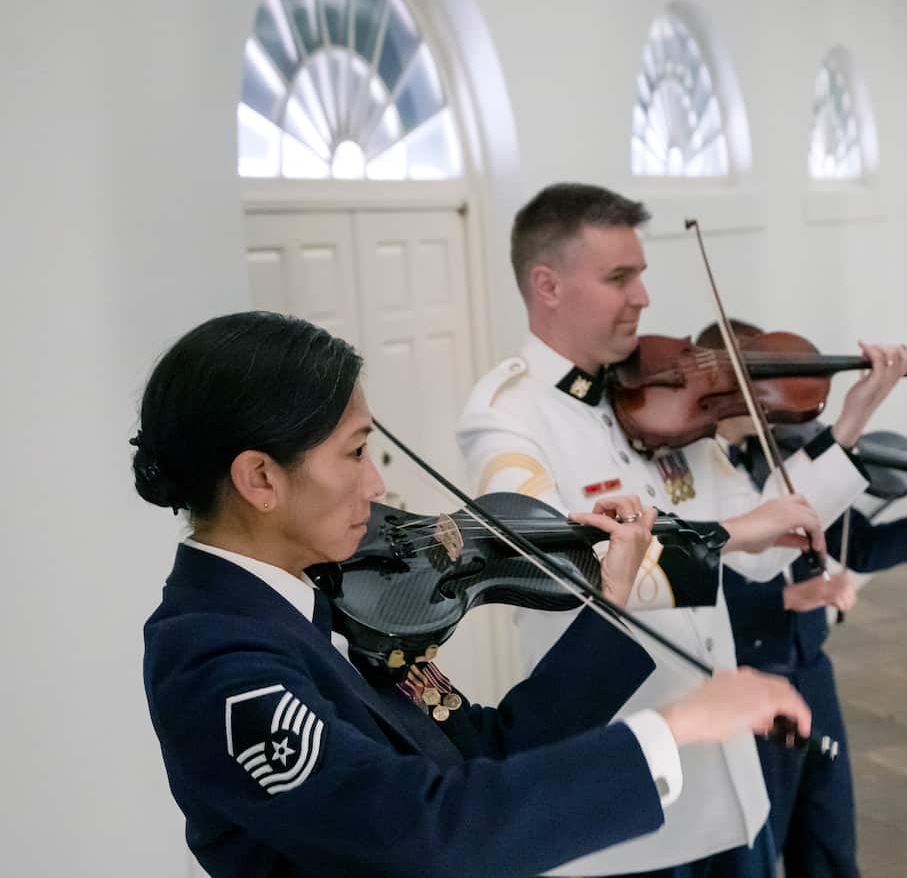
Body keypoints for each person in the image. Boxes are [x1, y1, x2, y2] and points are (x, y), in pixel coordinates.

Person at [138, 311, 813, 878]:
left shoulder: (318, 597)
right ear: (260, 478)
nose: (376, 487)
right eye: (354, 453)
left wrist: (608, 598)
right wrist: (673, 728)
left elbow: (482, 747)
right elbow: (423, 831)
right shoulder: (216, 661)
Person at [457, 182, 907, 877]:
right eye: (619, 277)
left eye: (640, 274)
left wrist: (848, 425)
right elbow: (560, 569)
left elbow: (759, 550)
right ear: (547, 284)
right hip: (626, 794)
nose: (643, 296)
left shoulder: (659, 395)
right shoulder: (506, 415)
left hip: (725, 778)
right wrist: (734, 529)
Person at [695, 319, 907, 877]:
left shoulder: (788, 459)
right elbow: (692, 589)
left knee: (828, 832)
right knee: (758, 841)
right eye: (752, 381)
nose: (766, 400)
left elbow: (862, 545)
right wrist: (782, 601)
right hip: (750, 675)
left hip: (810, 668)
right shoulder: (691, 470)